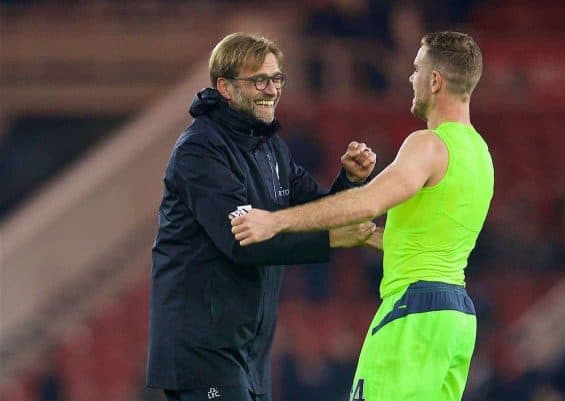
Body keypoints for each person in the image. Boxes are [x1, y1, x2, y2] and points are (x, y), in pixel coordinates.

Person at [231, 31, 494, 401]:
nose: (410, 78)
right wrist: (374, 237)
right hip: (457, 320)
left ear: (435, 81)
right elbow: (435, 245)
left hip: (413, 314)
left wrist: (275, 221)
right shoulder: (481, 154)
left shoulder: (429, 144)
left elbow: (368, 201)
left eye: (417, 69)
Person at [146, 32, 378, 401]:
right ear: (225, 87)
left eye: (277, 78)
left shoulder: (270, 147)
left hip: (249, 353)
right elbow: (242, 241)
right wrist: (333, 239)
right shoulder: (200, 151)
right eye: (259, 80)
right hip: (204, 350)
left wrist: (349, 180)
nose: (271, 89)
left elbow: (316, 212)